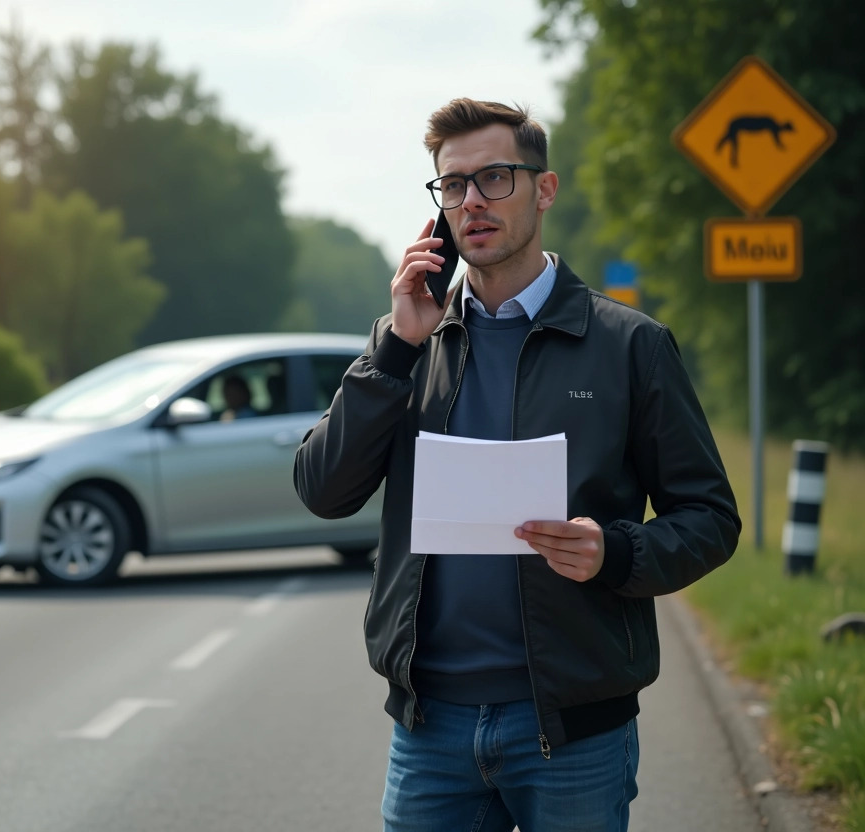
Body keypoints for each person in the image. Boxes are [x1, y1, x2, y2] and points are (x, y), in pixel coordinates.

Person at [293, 99, 740, 832]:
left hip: (572, 731)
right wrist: (398, 347)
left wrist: (617, 551)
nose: (472, 201)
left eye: (495, 178)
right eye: (453, 185)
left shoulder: (629, 345)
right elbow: (323, 490)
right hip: (428, 728)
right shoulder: (407, 342)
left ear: (545, 188)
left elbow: (711, 519)